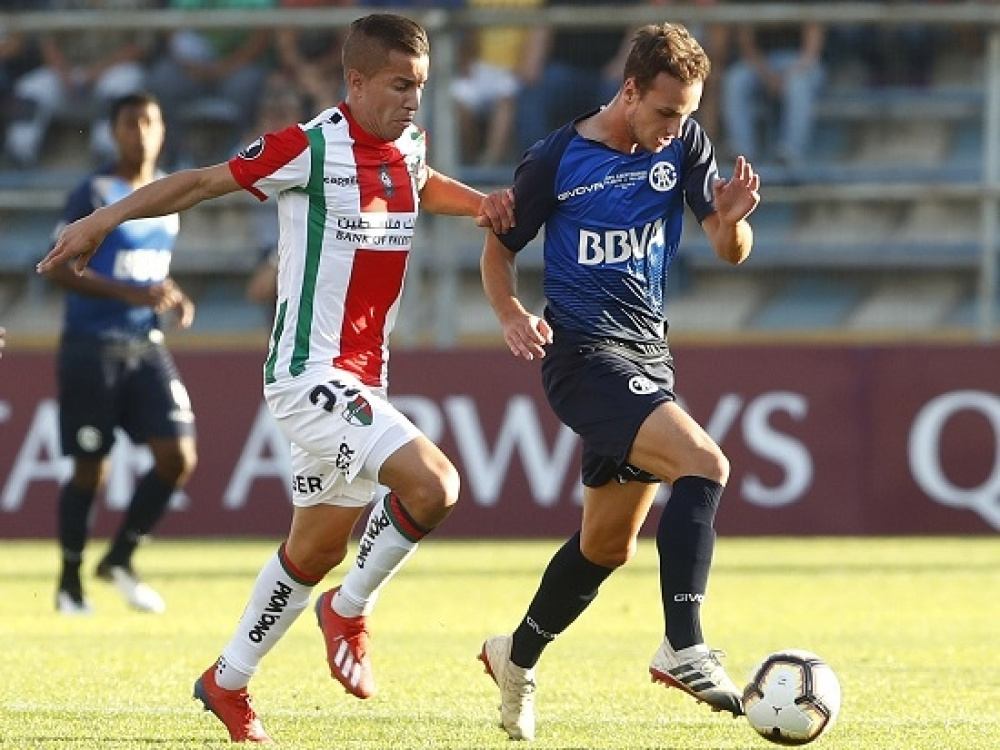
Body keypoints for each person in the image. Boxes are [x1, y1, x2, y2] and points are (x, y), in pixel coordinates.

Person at [37, 13, 515, 744]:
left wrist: (481, 205)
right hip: (309, 375)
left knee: (314, 550)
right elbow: (198, 183)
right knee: (434, 485)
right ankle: (348, 608)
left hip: (363, 378)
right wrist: (105, 220)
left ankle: (226, 682)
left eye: (419, 86)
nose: (414, 101)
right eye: (398, 85)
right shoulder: (310, 146)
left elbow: (422, 180)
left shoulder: (407, 144)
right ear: (355, 82)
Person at [478, 22, 760, 741]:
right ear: (629, 90)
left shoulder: (683, 145)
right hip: (582, 358)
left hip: (647, 357)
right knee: (706, 464)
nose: (676, 128)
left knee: (606, 546)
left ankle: (516, 655)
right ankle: (684, 644)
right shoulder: (556, 159)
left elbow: (727, 249)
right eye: (666, 111)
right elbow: (499, 250)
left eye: (688, 114)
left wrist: (730, 225)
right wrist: (510, 312)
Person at [39, 92, 196, 617]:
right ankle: (68, 584)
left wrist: (169, 291)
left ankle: (121, 558)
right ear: (113, 132)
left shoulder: (167, 193)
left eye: (150, 121)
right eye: (131, 123)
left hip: (145, 344)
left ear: (163, 128)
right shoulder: (94, 191)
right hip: (91, 349)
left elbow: (142, 269)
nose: (142, 132)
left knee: (178, 458)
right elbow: (58, 267)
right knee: (92, 470)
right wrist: (135, 295)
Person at [4, 0, 157, 167]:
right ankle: (20, 153)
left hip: (111, 72)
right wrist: (65, 74)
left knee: (121, 82)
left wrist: (97, 71)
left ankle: (106, 152)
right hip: (72, 76)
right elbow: (48, 43)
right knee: (32, 87)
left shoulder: (131, 4)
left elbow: (140, 47)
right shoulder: (66, 3)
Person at [721, 10, 825, 167]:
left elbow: (811, 48)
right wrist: (767, 76)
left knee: (797, 85)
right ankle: (742, 153)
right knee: (735, 80)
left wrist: (789, 75)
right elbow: (746, 44)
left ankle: (791, 154)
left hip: (798, 61)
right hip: (761, 61)